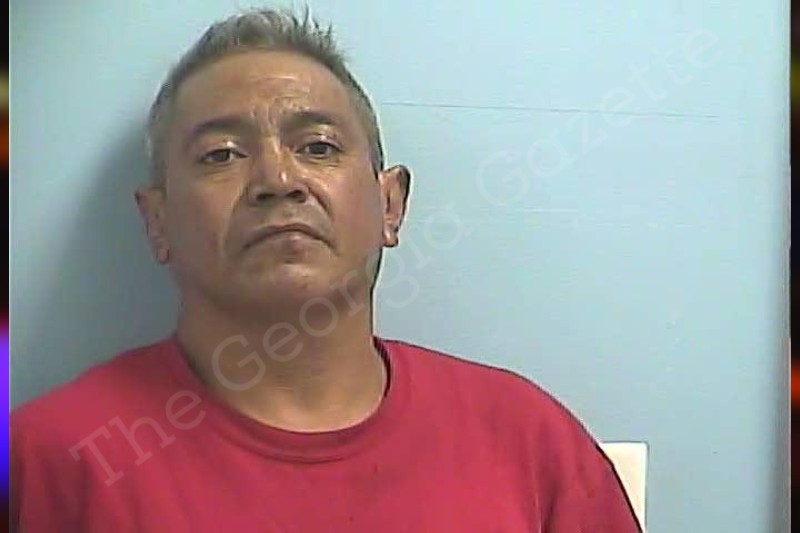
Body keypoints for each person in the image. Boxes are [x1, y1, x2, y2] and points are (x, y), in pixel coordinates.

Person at [11, 8, 642, 532]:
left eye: (318, 146)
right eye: (221, 154)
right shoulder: (56, 461)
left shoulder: (529, 442)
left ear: (390, 205)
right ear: (157, 221)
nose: (278, 179)